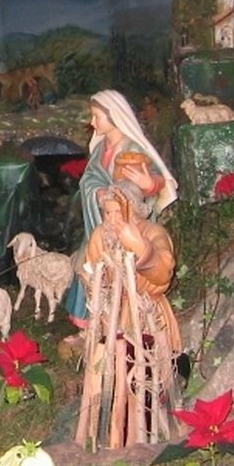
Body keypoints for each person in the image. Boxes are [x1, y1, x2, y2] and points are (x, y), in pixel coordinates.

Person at [75, 180, 181, 451]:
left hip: (146, 314)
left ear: (133, 210)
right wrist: (96, 283)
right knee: (107, 370)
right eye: (107, 213)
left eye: (117, 212)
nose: (111, 220)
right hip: (111, 316)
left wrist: (139, 247)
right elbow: (91, 270)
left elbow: (163, 272)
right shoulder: (101, 235)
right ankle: (108, 434)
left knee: (144, 374)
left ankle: (148, 431)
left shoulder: (153, 232)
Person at [64, 90, 178, 330]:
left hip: (126, 222)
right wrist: (98, 192)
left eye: (97, 116)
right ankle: (92, 325)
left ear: (114, 116)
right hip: (103, 220)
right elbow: (89, 179)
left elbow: (156, 178)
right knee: (90, 262)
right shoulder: (100, 148)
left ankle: (120, 325)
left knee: (123, 271)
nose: (92, 122)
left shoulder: (132, 146)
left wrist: (149, 184)